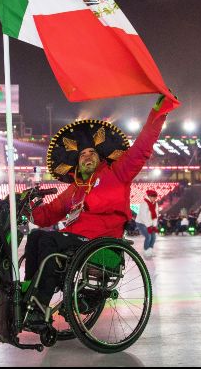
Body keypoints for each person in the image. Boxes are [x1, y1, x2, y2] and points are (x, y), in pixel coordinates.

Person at [24, 93, 177, 322]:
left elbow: (142, 147)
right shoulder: (74, 189)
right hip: (74, 243)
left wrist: (158, 113)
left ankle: (39, 306)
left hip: (100, 243)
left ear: (99, 158)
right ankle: (31, 292)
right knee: (36, 236)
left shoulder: (117, 173)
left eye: (92, 153)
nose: (87, 156)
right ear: (77, 162)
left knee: (48, 241)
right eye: (83, 154)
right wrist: (24, 207)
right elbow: (47, 215)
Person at [135, 189, 159, 258]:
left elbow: (155, 215)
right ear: (149, 196)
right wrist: (148, 226)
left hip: (150, 223)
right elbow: (143, 216)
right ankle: (146, 251)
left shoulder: (155, 203)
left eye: (155, 197)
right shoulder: (144, 203)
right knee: (148, 236)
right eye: (153, 197)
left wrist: (154, 226)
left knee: (153, 237)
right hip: (141, 222)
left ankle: (150, 251)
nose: (154, 199)